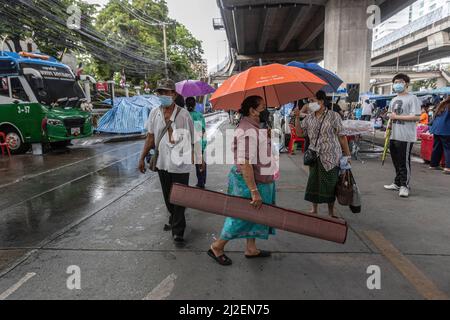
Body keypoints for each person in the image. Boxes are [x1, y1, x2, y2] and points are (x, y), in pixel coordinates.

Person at [208, 96, 276, 266]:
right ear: (252, 111)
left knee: (254, 215)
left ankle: (251, 248)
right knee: (241, 216)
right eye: (263, 107)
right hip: (249, 183)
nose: (266, 111)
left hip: (259, 178)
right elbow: (245, 163)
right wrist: (254, 191)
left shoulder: (254, 127)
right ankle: (217, 246)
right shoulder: (248, 131)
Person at [139, 79, 197, 245]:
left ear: (174, 94)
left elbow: (194, 138)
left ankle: (178, 231)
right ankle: (173, 217)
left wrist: (199, 159)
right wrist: (142, 157)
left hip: (181, 163)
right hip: (162, 162)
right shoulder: (154, 113)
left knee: (180, 197)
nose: (163, 95)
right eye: (160, 92)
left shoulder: (184, 115)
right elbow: (150, 137)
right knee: (168, 196)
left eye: (166, 92)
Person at [295, 90, 351, 217]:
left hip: (331, 155)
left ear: (321, 101)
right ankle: (314, 209)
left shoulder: (333, 116)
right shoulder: (309, 118)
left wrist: (348, 155)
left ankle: (331, 212)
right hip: (314, 156)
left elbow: (342, 137)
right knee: (314, 182)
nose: (310, 104)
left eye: (312, 101)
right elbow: (299, 133)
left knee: (330, 183)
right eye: (309, 102)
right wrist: (297, 117)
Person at [383, 73, 421, 198]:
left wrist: (396, 117)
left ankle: (405, 186)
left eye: (400, 81)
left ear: (406, 84)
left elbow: (416, 117)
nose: (397, 84)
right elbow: (390, 116)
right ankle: (398, 183)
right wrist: (388, 126)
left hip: (406, 136)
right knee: (395, 161)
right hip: (394, 134)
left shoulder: (412, 98)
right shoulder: (393, 99)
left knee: (404, 162)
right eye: (395, 82)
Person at [186, 97, 207, 188]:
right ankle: (201, 181)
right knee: (200, 162)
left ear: (186, 105)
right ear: (195, 105)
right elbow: (200, 131)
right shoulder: (198, 115)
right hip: (198, 142)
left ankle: (184, 184)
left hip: (186, 143)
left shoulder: (184, 115)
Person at [429, 97, 450, 174]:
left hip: (436, 129)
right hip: (446, 129)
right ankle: (448, 168)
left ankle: (433, 165)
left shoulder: (442, 104)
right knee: (448, 148)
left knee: (437, 147)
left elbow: (434, 117)